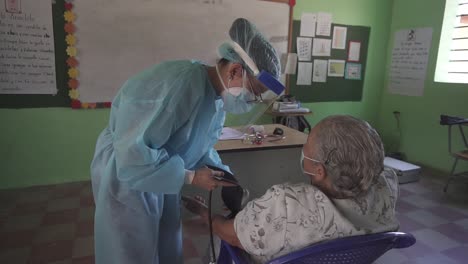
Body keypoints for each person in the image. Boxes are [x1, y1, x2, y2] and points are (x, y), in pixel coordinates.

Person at [90, 18, 282, 264]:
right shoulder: (185, 83)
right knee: (130, 250)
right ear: (234, 70)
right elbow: (135, 155)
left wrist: (223, 173)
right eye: (253, 93)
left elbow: (199, 146)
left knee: (165, 239)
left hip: (159, 171)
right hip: (130, 174)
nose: (251, 101)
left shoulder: (215, 97)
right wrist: (190, 177)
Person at [183, 115, 399, 263]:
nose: (303, 150)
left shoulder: (286, 204)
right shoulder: (386, 185)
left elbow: (232, 236)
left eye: (307, 146)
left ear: (319, 170)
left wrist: (205, 214)